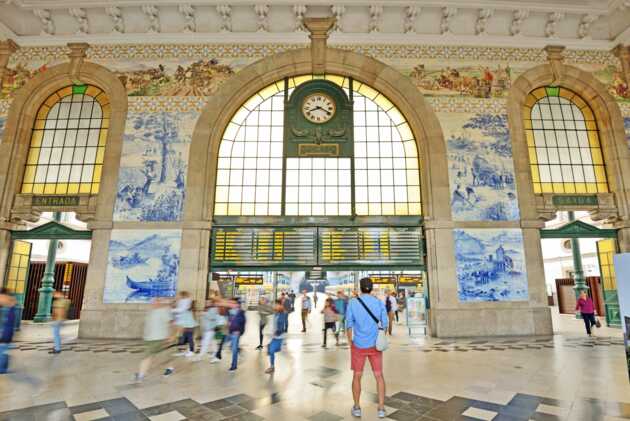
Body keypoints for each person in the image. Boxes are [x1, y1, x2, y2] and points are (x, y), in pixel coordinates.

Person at [345, 278, 388, 419]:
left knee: (357, 376)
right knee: (379, 376)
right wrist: (379, 338)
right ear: (371, 288)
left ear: (360, 288)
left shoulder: (352, 303)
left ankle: (357, 407)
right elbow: (385, 324)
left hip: (358, 345)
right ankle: (381, 408)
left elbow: (349, 325)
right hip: (375, 345)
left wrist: (350, 342)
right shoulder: (378, 302)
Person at [135, 298, 172, 383]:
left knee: (147, 356)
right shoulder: (151, 311)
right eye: (153, 302)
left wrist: (170, 335)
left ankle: (141, 376)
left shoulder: (163, 311)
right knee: (162, 356)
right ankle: (169, 368)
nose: (154, 303)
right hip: (150, 338)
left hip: (159, 338)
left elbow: (170, 322)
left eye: (156, 301)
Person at [198, 298, 224, 362]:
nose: (207, 303)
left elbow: (212, 318)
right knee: (213, 342)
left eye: (209, 302)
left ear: (212, 303)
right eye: (206, 302)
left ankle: (200, 356)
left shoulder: (213, 309)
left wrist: (204, 314)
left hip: (210, 329)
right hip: (207, 328)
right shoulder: (207, 309)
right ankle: (215, 353)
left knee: (205, 342)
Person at [172, 291, 197, 357]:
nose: (179, 297)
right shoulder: (185, 304)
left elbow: (180, 310)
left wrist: (172, 310)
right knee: (184, 338)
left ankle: (191, 351)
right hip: (185, 325)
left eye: (180, 296)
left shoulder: (187, 305)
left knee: (189, 338)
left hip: (188, 325)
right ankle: (186, 350)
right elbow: (179, 313)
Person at [266, 299, 286, 374]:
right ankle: (272, 366)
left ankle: (272, 367)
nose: (275, 306)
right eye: (275, 305)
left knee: (271, 350)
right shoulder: (276, 313)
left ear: (280, 305)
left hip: (279, 336)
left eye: (276, 305)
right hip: (275, 336)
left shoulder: (281, 314)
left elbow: (281, 325)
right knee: (270, 350)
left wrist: (277, 332)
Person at [0, 288, 17, 374]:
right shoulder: (8, 307)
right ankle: (3, 368)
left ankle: (2, 369)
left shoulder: (8, 308)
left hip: (5, 335)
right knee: (4, 351)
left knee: (2, 351)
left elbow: (8, 324)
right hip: (5, 335)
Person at [228, 298, 246, 371]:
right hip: (230, 332)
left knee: (234, 349)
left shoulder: (241, 313)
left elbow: (243, 324)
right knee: (232, 347)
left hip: (236, 333)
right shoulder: (230, 312)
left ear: (238, 305)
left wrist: (239, 331)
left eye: (234, 304)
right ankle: (239, 351)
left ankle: (234, 366)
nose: (232, 305)